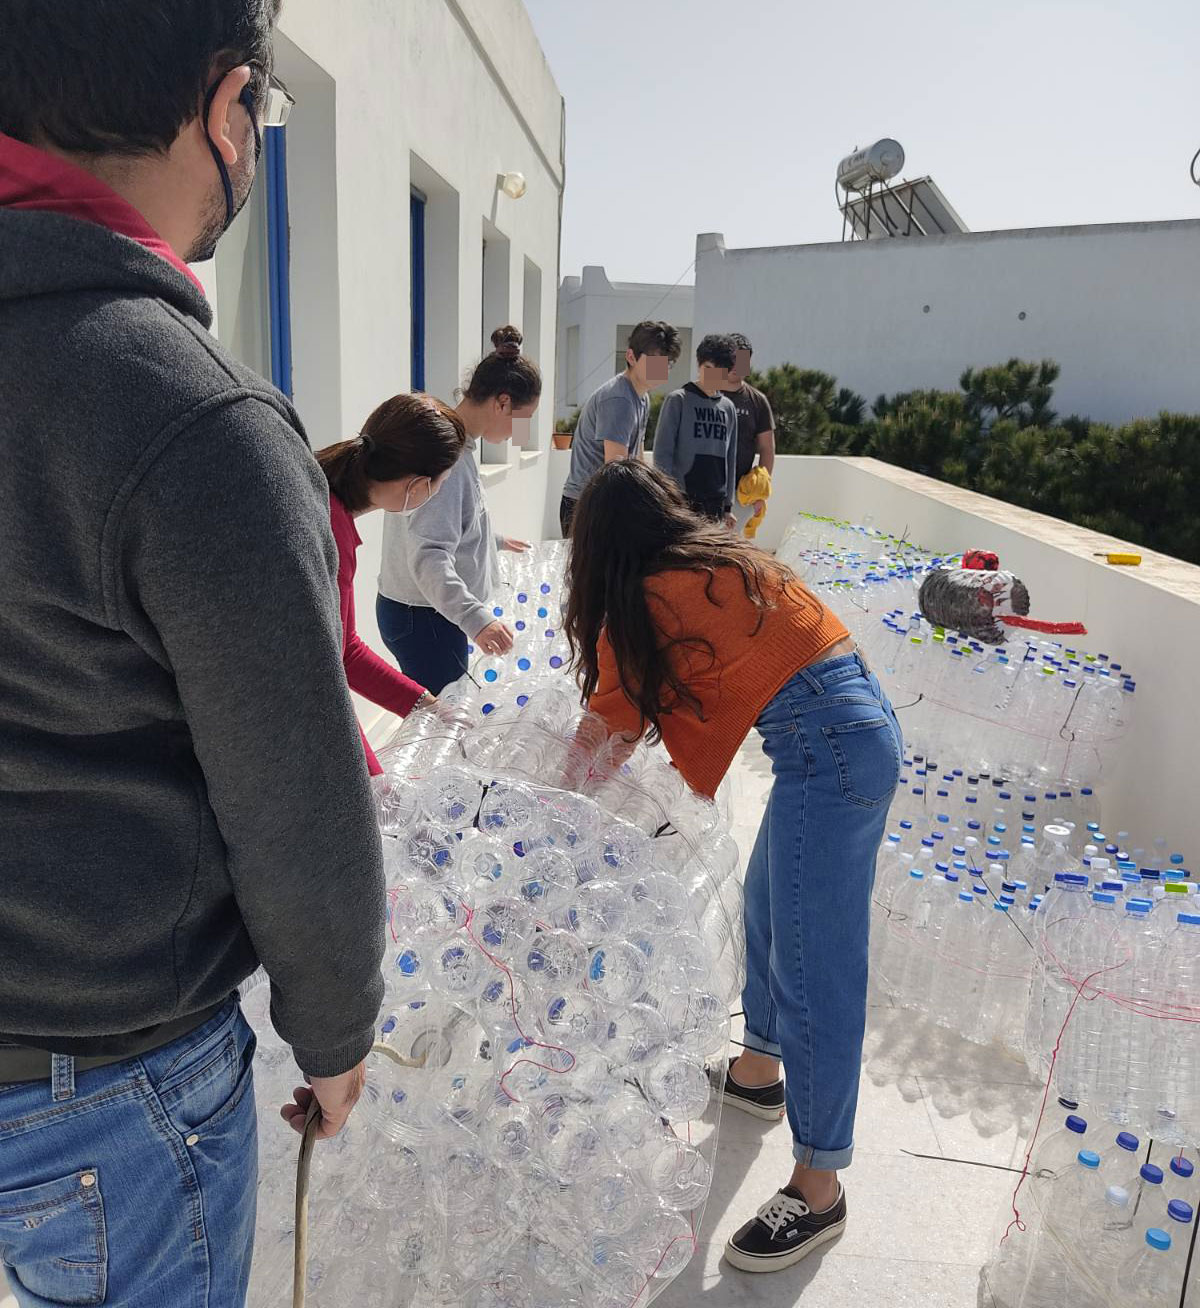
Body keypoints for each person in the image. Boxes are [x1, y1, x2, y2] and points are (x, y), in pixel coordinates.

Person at [0, 5, 386, 1305]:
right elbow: (294, 799)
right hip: (104, 1086)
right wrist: (334, 1034)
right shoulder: (190, 418)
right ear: (225, 111)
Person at [564, 462, 902, 1274]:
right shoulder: (723, 559)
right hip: (852, 734)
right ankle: (757, 1069)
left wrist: (545, 808)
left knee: (815, 967)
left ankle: (819, 1187)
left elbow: (605, 738)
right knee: (767, 908)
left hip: (831, 754)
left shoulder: (649, 597)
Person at [377, 326, 538, 693]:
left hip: (418, 611)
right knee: (445, 721)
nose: (520, 433)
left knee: (436, 715)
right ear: (502, 403)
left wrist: (492, 540)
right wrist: (477, 621)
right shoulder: (449, 457)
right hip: (425, 618)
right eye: (523, 419)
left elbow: (441, 524)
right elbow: (429, 555)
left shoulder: (447, 440)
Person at [319, 394, 467, 772]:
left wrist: (429, 707)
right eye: (441, 484)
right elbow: (327, 667)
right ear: (417, 486)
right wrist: (371, 777)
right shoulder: (329, 530)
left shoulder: (325, 503)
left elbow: (343, 650)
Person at [559, 318, 682, 536]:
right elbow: (615, 468)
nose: (662, 369)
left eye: (667, 363)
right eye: (655, 361)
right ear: (631, 357)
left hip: (607, 501)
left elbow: (637, 457)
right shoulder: (620, 399)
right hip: (589, 507)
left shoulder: (641, 396)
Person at [653, 333, 740, 524]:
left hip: (715, 503)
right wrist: (667, 497)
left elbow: (730, 458)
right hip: (682, 500)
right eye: (708, 367)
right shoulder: (678, 400)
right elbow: (662, 453)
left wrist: (728, 506)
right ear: (699, 365)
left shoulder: (728, 408)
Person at [721, 332, 777, 534]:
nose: (736, 365)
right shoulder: (705, 393)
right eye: (732, 359)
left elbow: (767, 448)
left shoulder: (758, 401)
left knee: (731, 547)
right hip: (703, 490)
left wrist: (759, 493)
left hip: (740, 494)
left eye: (742, 360)